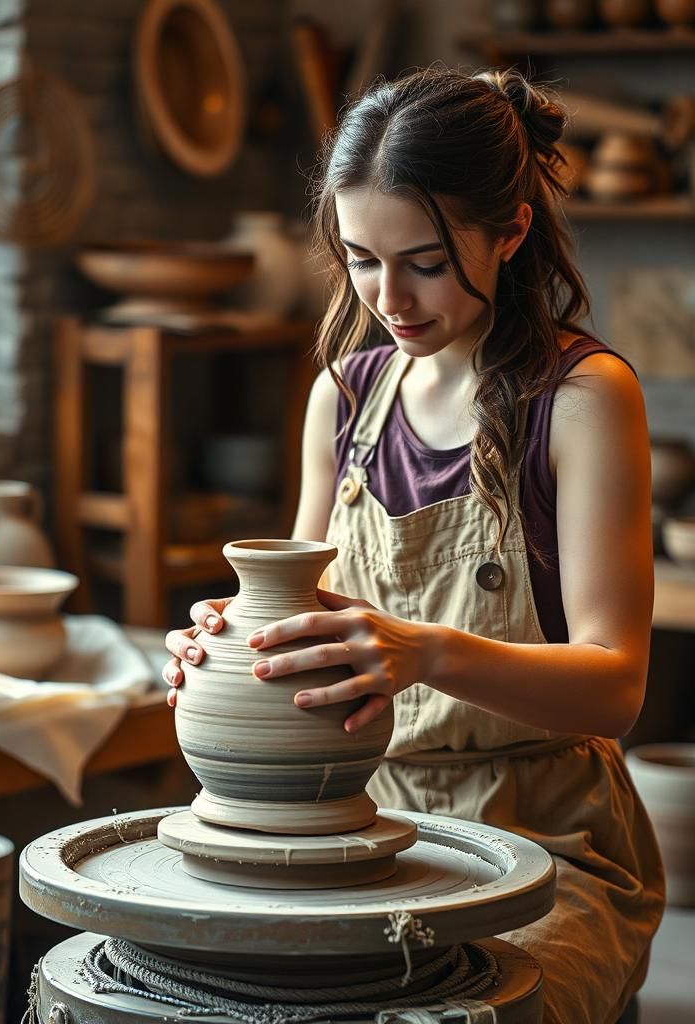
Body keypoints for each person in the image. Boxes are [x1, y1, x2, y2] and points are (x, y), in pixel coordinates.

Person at [163, 67, 664, 1024]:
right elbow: (299, 616)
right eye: (360, 258)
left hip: (545, 833)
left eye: (426, 261)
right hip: (364, 819)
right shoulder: (343, 399)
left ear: (510, 232)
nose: (389, 297)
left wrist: (421, 649)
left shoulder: (584, 398)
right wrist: (231, 640)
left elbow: (618, 684)